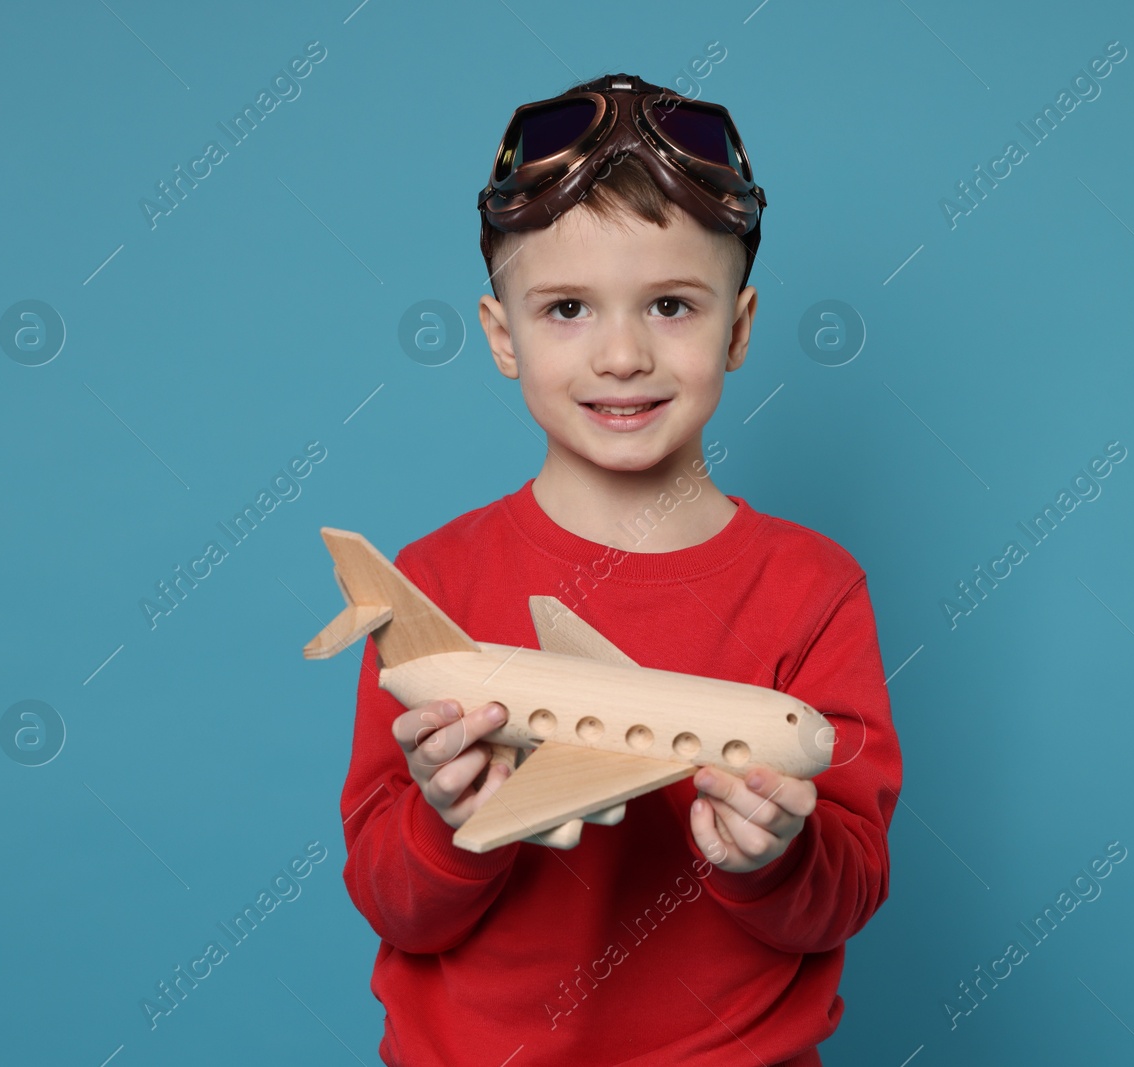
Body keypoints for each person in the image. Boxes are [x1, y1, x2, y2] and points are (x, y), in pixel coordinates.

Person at [338, 72, 903, 1066]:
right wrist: (449, 817)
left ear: (736, 327)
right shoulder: (433, 583)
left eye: (672, 305)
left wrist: (778, 856)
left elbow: (844, 895)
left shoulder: (815, 588)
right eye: (566, 308)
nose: (623, 353)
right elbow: (396, 906)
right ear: (502, 335)